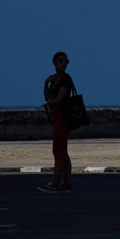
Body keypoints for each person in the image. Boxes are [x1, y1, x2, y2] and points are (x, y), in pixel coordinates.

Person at [39, 51, 74, 194]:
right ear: (54, 62)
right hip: (56, 116)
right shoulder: (54, 80)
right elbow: (48, 97)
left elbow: (58, 100)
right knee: (62, 151)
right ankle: (66, 183)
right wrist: (46, 83)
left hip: (63, 117)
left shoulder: (66, 79)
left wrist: (49, 105)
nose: (64, 64)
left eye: (66, 61)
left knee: (59, 151)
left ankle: (55, 183)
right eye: (61, 61)